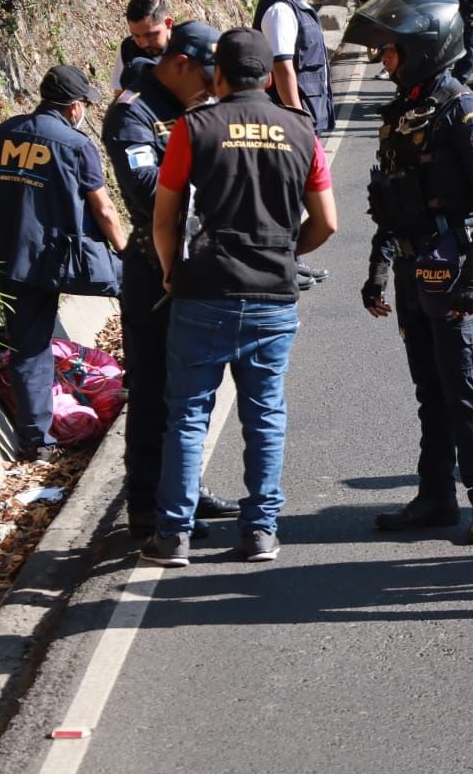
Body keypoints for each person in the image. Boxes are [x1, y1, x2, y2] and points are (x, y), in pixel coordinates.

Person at [141, 29, 339, 567]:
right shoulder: (301, 130)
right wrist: (282, 253)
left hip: (204, 287)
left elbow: (166, 218)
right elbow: (327, 222)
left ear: (219, 75)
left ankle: (174, 535)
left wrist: (169, 271)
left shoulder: (194, 127)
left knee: (187, 415)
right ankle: (260, 531)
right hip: (273, 293)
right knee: (265, 412)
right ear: (271, 77)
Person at [343, 0, 473, 546]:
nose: (381, 61)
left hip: (451, 266)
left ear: (420, 50)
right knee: (428, 391)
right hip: (414, 271)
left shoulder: (464, 110)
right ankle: (435, 495)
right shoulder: (400, 113)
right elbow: (393, 199)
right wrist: (378, 268)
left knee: (462, 387)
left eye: (389, 51)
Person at [102, 21, 242, 538]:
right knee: (154, 384)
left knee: (198, 385)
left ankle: (186, 487)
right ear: (181, 63)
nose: (214, 86)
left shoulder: (201, 102)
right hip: (151, 265)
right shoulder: (132, 111)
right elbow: (143, 189)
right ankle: (145, 503)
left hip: (200, 259)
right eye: (207, 74)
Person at [0, 66, 126, 462]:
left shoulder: (3, 133)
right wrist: (125, 251)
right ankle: (143, 379)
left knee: (30, 348)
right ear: (75, 107)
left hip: (11, 256)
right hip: (64, 256)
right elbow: (105, 209)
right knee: (137, 286)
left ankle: (36, 442)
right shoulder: (76, 145)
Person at [255, 0, 336, 288]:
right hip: (290, 118)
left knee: (295, 194)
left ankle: (292, 259)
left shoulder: (288, 2)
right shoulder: (280, 8)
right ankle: (283, 263)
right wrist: (296, 115)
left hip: (298, 113)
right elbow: (283, 67)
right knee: (289, 195)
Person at [109, 0, 174, 95]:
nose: (143, 44)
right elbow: (120, 93)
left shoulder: (188, 48)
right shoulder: (128, 49)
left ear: (168, 23)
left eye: (150, 35)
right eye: (136, 35)